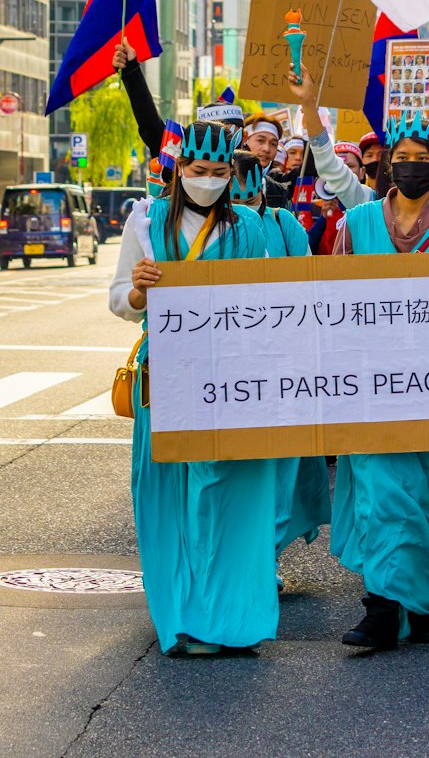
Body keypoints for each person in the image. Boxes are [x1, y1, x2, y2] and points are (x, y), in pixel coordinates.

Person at [325, 108, 429, 651]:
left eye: (423, 161)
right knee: (379, 494)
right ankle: (379, 608)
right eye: (402, 160)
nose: (412, 168)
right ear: (388, 165)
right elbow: (330, 303)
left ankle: (418, 607)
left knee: (426, 495)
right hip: (371, 388)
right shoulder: (355, 226)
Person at [109, 120, 278, 656]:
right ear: (179, 169)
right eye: (199, 171)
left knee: (228, 493)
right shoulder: (145, 220)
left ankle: (227, 616)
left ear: (234, 172)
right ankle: (180, 613)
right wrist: (137, 291)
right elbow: (117, 300)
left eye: (220, 172)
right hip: (166, 381)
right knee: (167, 496)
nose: (209, 181)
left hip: (231, 382)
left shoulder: (250, 228)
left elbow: (272, 303)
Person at [230, 152, 331, 578]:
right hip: (228, 365)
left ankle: (265, 551)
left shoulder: (283, 224)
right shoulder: (202, 224)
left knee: (280, 462)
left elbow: (307, 284)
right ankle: (235, 549)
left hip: (282, 362)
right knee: (234, 462)